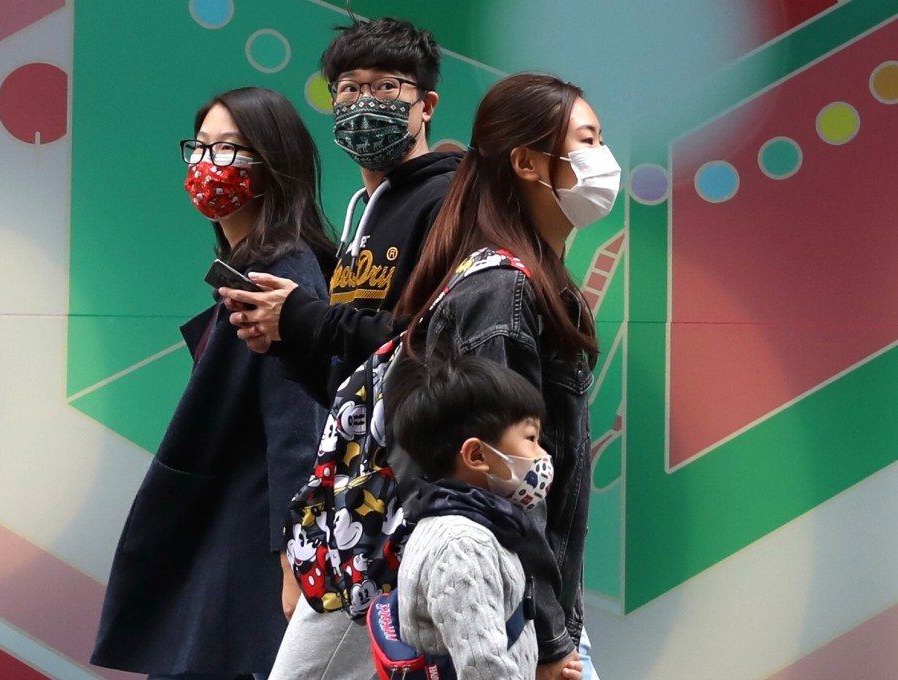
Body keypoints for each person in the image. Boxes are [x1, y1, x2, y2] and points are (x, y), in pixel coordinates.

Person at [89, 87, 336, 680]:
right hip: (232, 536)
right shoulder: (254, 264)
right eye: (200, 147)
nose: (208, 165)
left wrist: (292, 558)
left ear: (272, 164)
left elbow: (295, 425)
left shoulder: (284, 272)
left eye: (229, 149)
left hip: (250, 547)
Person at [391, 72, 621, 680]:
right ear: (526, 161)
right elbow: (503, 481)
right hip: (512, 617)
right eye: (588, 140)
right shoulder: (504, 291)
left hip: (529, 608)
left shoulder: (529, 281)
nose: (604, 159)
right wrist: (547, 643)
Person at [222, 17, 461, 407]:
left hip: (423, 457)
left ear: (427, 105)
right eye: (349, 88)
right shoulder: (359, 215)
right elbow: (347, 382)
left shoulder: (451, 202)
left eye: (386, 86)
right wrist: (285, 340)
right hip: (359, 459)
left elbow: (440, 341)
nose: (364, 102)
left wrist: (305, 316)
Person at [382, 351, 583, 680]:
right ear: (477, 455)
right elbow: (484, 669)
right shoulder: (462, 546)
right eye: (531, 439)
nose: (543, 455)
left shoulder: (479, 527)